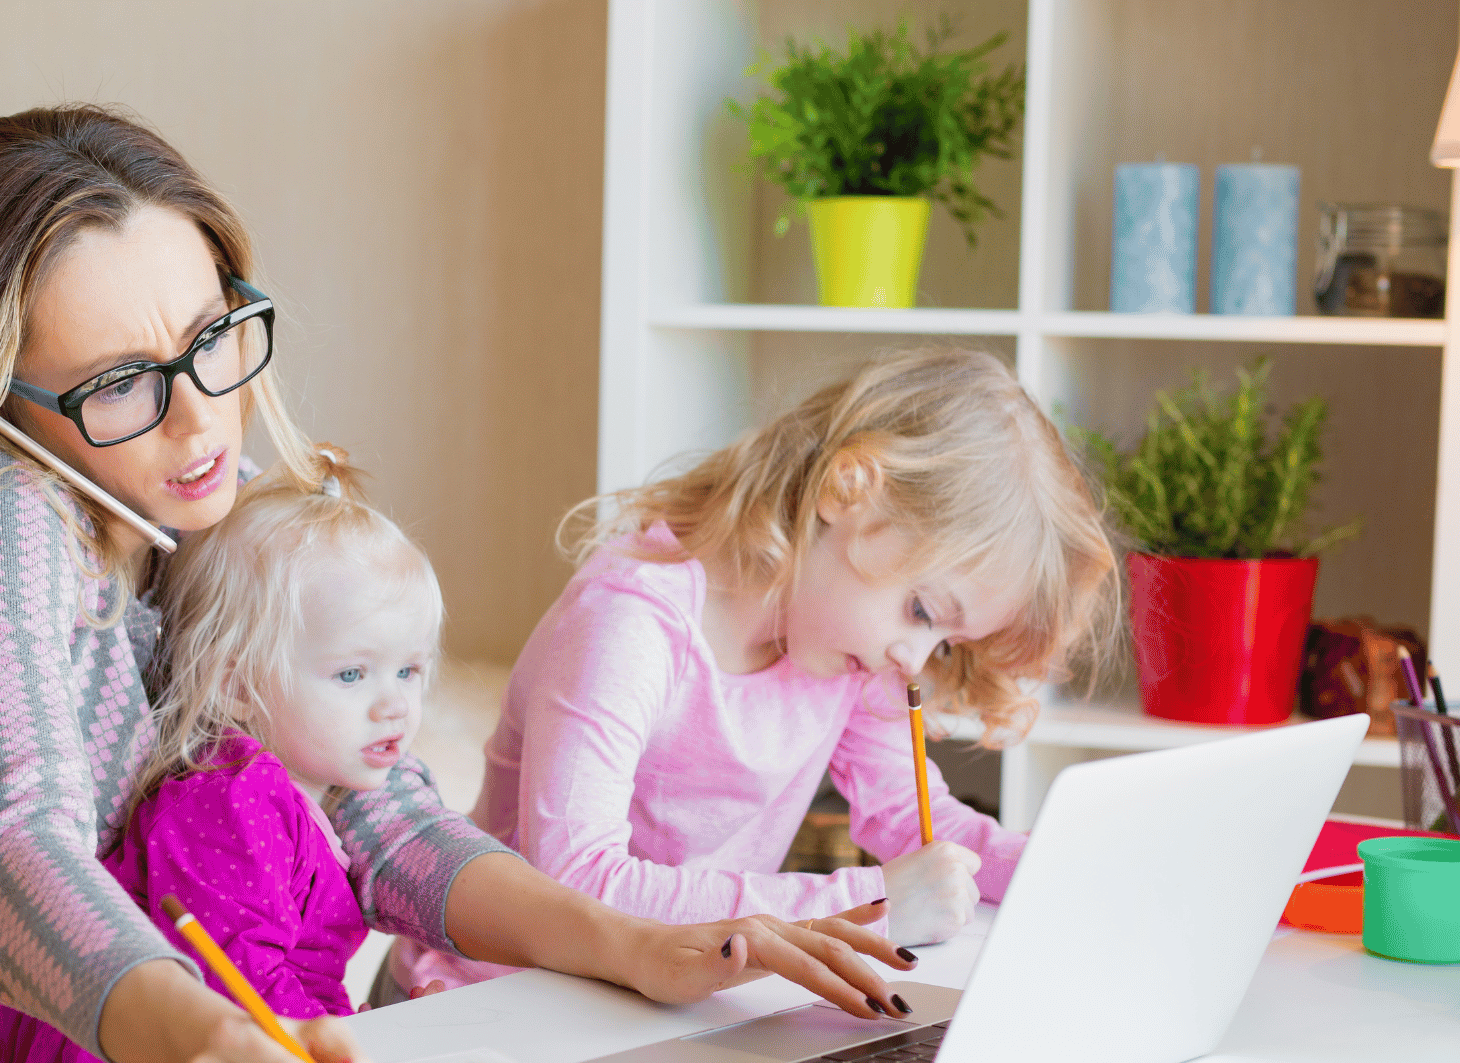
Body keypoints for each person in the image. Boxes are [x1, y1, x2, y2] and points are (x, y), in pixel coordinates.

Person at [0, 104, 904, 1063]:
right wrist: (206, 1054)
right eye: (117, 388)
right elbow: (11, 855)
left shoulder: (195, 502)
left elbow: (378, 811)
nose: (199, 423)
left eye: (210, 342)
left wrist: (632, 944)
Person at [386, 348, 1117, 1002]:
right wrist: (865, 901)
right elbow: (576, 883)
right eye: (924, 609)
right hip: (486, 996)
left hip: (662, 996)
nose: (916, 660)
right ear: (848, 491)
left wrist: (1065, 868)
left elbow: (917, 821)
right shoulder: (633, 622)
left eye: (948, 642)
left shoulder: (846, 650)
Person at [0, 447, 468, 1063]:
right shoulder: (235, 800)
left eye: (408, 670)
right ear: (235, 684)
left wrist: (371, 1037)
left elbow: (292, 993)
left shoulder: (295, 799)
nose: (395, 705)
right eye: (353, 674)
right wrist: (360, 1049)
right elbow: (245, 990)